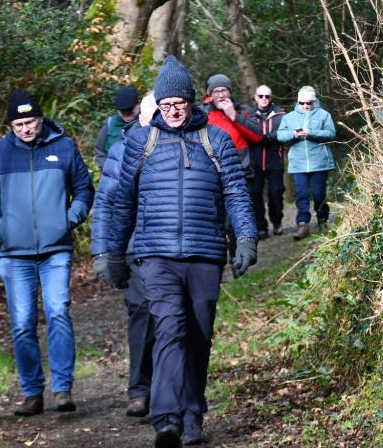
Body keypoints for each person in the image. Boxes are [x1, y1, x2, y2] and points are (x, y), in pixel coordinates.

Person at [97, 56, 258, 448]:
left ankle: (192, 414)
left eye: (178, 105)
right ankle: (166, 419)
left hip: (204, 255)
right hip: (157, 255)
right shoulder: (141, 140)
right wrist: (113, 254)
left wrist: (247, 239)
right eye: (165, 106)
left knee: (199, 336)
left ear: (191, 102)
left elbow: (237, 193)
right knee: (170, 330)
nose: (171, 112)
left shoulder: (215, 139)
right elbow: (123, 203)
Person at [0, 89, 94, 416]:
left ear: (41, 119)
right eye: (19, 123)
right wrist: (1, 230)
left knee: (58, 311)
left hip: (56, 251)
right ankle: (32, 392)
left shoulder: (64, 147)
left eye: (31, 121)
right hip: (14, 255)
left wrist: (70, 219)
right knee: (23, 323)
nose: (26, 128)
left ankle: (63, 389)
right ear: (11, 125)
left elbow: (84, 188)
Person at [91, 93, 160, 418]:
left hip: (177, 250)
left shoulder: (190, 143)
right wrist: (104, 253)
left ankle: (170, 393)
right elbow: (105, 203)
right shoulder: (122, 150)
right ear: (140, 117)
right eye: (152, 113)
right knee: (143, 313)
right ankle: (140, 389)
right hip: (135, 249)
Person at [203, 74, 263, 270]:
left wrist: (233, 116)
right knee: (220, 221)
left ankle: (238, 260)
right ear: (209, 95)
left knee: (237, 219)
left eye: (224, 90)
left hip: (244, 174)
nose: (221, 94)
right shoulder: (202, 115)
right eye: (216, 91)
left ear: (230, 92)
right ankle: (221, 260)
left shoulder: (243, 111)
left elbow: (257, 136)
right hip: (213, 176)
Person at [276, 85, 336, 240]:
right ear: (298, 101)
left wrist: (311, 133)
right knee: (301, 194)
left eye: (308, 103)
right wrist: (294, 134)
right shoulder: (289, 117)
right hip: (298, 163)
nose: (305, 106)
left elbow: (331, 133)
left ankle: (322, 220)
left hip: (319, 162)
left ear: (314, 100)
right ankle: (303, 224)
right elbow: (280, 135)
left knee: (318, 194)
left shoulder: (324, 115)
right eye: (302, 103)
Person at [248, 85, 286, 239]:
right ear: (255, 97)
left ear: (271, 98)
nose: (264, 99)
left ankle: (277, 222)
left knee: (275, 193)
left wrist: (270, 136)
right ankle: (261, 227)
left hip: (274, 160)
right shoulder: (248, 115)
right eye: (261, 96)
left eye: (267, 96)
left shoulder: (281, 114)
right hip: (254, 161)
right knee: (255, 195)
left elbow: (287, 131)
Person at [94, 85, 141, 170]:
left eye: (130, 111)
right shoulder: (110, 123)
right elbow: (99, 150)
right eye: (123, 112)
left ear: (138, 104)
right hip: (113, 177)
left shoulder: (146, 122)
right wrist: (107, 169)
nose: (127, 116)